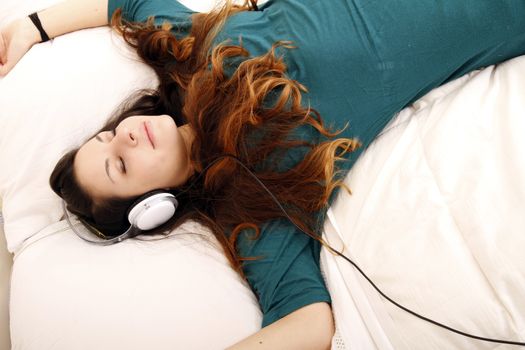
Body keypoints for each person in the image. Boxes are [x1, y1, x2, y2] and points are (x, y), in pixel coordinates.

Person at [1, 0, 525, 349]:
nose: (125, 136)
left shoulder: (187, 52)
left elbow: (128, 3)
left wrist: (33, 25)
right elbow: (309, 320)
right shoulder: (250, 201)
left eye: (106, 136)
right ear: (152, 206)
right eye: (119, 165)